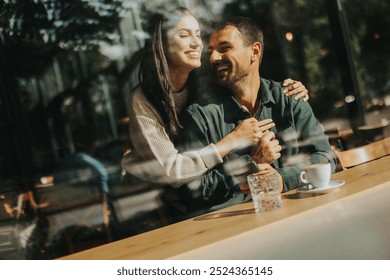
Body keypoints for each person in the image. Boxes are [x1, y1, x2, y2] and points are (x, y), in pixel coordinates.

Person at [121, 8, 309, 218]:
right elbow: (172, 171)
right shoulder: (143, 99)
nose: (196, 43)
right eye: (184, 35)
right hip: (150, 199)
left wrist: (286, 89)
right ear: (162, 44)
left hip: (196, 190)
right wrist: (232, 140)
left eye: (197, 34)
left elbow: (247, 78)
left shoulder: (202, 79)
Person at [180, 16, 337, 211]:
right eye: (210, 51)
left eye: (224, 48)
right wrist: (249, 164)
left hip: (300, 212)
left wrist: (282, 179)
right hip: (232, 226)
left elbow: (325, 157)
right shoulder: (200, 116)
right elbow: (190, 191)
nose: (213, 58)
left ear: (254, 51)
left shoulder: (289, 98)